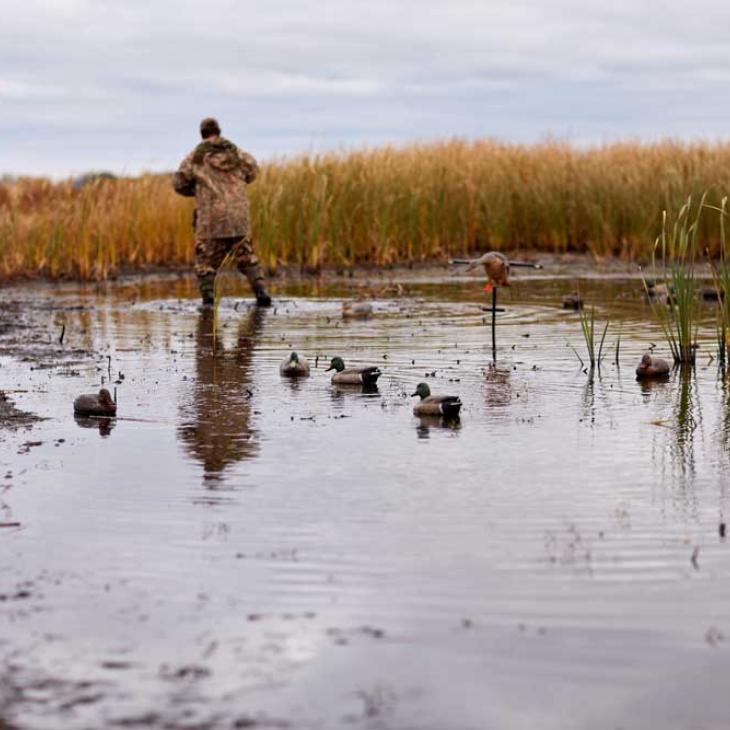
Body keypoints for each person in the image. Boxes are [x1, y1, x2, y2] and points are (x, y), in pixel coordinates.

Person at [173, 117, 271, 307]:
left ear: (202, 134)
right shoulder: (236, 152)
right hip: (238, 217)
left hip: (211, 219)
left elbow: (178, 183)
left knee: (206, 263)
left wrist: (195, 190)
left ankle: (209, 302)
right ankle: (261, 292)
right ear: (219, 131)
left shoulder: (196, 157)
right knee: (246, 257)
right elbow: (253, 172)